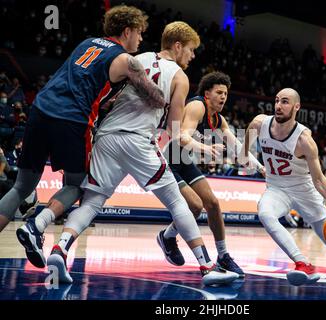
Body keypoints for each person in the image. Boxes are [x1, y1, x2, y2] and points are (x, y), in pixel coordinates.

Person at [46, 21, 239, 286]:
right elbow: (173, 129)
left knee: (92, 201)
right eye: (191, 50)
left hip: (107, 136)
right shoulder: (180, 77)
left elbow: (108, 95)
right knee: (178, 203)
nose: (192, 56)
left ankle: (60, 249)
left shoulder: (135, 58)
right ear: (178, 45)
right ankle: (207, 267)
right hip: (138, 141)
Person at [12, 5, 162, 268]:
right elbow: (156, 97)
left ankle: (35, 226)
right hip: (72, 118)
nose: (140, 39)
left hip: (40, 108)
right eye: (139, 33)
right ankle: (36, 225)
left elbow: (85, 80)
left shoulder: (87, 42)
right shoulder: (128, 60)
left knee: (21, 186)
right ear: (127, 30)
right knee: (78, 184)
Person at [239, 88, 326, 289]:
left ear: (296, 107)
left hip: (304, 190)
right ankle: (303, 264)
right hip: (276, 189)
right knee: (265, 214)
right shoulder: (258, 124)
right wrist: (260, 167)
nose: (278, 106)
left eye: (285, 102)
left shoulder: (304, 140)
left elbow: (318, 179)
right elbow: (243, 153)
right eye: (276, 101)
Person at [157, 71, 265, 278]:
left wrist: (261, 168)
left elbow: (238, 148)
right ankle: (168, 237)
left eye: (225, 93)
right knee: (196, 206)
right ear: (207, 94)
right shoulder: (197, 106)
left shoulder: (218, 119)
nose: (223, 97)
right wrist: (203, 148)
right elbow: (182, 136)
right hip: (170, 160)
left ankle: (223, 255)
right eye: (219, 92)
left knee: (213, 204)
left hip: (184, 161)